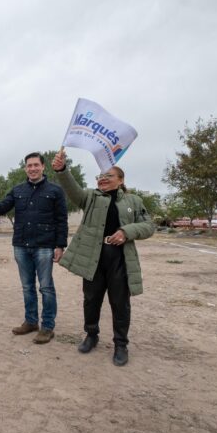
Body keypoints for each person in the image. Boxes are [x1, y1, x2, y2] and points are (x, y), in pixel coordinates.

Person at [52, 148, 155, 366]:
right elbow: (73, 190)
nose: (102, 179)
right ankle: (91, 335)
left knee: (120, 303)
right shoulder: (90, 197)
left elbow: (149, 226)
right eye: (100, 176)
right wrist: (62, 170)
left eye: (108, 176)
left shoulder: (133, 201)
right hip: (93, 258)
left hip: (119, 259)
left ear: (120, 180)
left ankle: (120, 345)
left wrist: (128, 231)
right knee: (91, 300)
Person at [0, 152, 68, 344]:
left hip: (45, 246)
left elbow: (61, 220)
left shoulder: (55, 191)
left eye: (35, 165)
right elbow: (2, 208)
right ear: (25, 168)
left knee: (46, 288)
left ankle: (47, 326)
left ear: (43, 167)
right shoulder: (17, 190)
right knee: (27, 287)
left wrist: (60, 245)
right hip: (21, 246)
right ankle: (31, 322)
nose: (32, 169)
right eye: (29, 166)